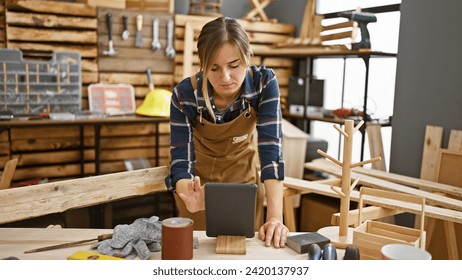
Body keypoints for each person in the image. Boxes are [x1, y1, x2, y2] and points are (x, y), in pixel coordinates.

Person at [165, 17, 288, 248]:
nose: (226, 77)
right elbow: (181, 161)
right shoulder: (185, 95)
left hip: (244, 183)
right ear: (202, 65)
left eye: (234, 65)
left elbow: (271, 153)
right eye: (214, 68)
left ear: (247, 56)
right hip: (198, 188)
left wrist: (275, 218)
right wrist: (187, 194)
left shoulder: (264, 83)